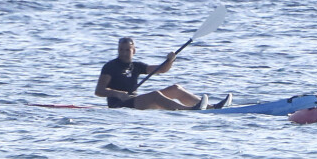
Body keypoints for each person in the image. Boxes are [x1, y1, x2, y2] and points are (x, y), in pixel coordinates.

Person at [95, 37, 232, 110]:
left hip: (135, 101)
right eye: (121, 50)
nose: (124, 53)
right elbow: (99, 91)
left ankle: (211, 107)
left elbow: (161, 69)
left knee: (176, 88)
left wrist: (170, 60)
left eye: (127, 50)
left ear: (134, 51)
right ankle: (187, 110)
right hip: (119, 105)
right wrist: (117, 93)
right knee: (155, 95)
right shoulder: (110, 66)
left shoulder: (136, 66)